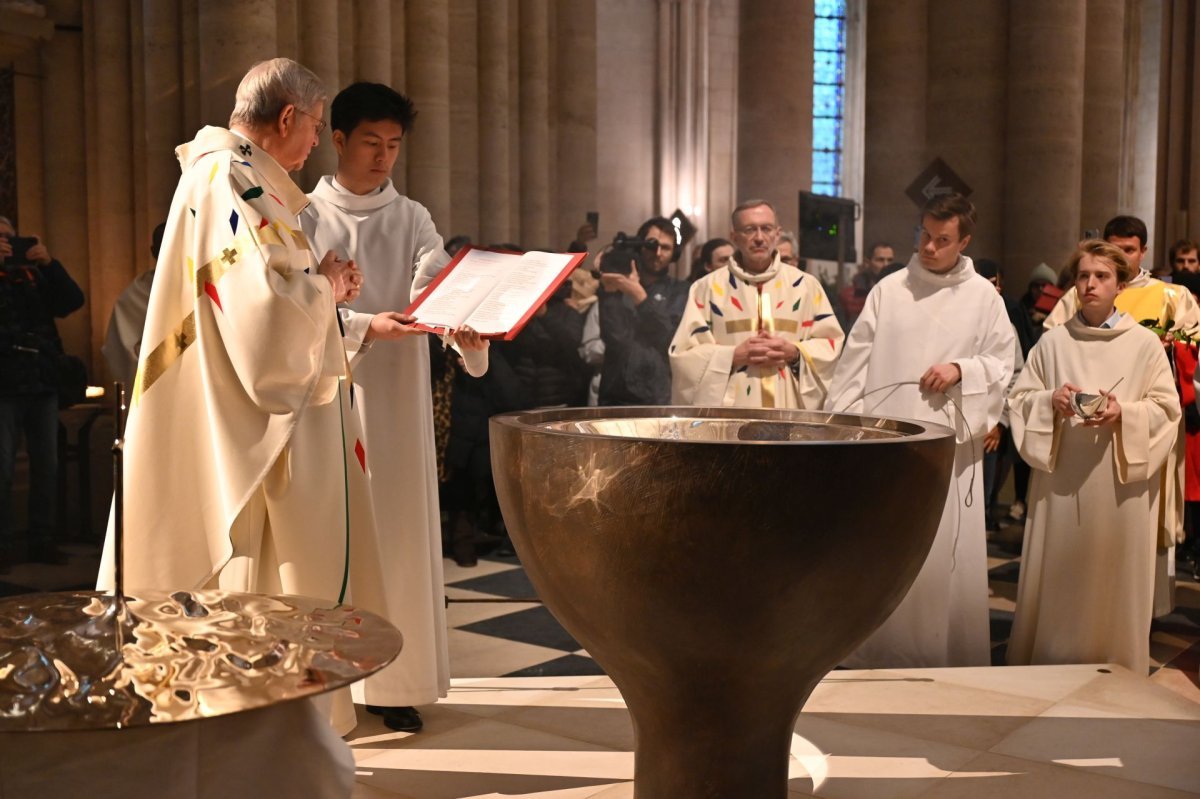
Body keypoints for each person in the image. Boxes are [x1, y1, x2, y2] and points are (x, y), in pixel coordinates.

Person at [97, 59, 387, 739]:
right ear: (288, 118)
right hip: (246, 422)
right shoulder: (228, 179)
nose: (317, 142)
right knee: (249, 571)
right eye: (315, 126)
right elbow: (264, 325)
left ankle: (278, 726)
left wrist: (317, 284)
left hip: (254, 416)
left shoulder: (248, 180)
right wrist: (330, 288)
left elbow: (267, 297)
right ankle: (253, 730)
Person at [300, 82, 488, 733]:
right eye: (372, 143)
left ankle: (394, 682)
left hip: (400, 400)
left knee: (400, 537)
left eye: (395, 145)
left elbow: (431, 278)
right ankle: (331, 682)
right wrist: (358, 327)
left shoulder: (412, 215)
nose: (384, 157)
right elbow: (291, 307)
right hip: (332, 391)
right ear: (340, 138)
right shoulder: (303, 214)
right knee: (337, 534)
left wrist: (457, 318)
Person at [824, 193, 1014, 667]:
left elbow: (1002, 362)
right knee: (886, 546)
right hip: (889, 449)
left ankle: (941, 649)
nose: (929, 247)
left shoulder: (983, 299)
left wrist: (961, 368)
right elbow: (853, 366)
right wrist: (845, 432)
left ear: (964, 241)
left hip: (948, 450)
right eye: (925, 235)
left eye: (942, 240)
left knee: (940, 550)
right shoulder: (890, 291)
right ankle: (877, 649)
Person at [1007, 240, 1179, 674]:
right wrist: (1051, 400)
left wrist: (1125, 412)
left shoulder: (1143, 345)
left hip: (1118, 483)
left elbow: (1166, 409)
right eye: (1083, 276)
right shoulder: (1053, 342)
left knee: (1111, 574)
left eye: (1101, 276)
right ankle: (1051, 658)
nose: (1090, 284)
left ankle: (1114, 661)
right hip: (1063, 480)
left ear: (1120, 284)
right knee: (1061, 572)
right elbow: (1019, 398)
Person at [1045, 215, 1200, 616]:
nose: (1118, 258)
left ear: (1142, 252)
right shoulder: (1077, 295)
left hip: (1139, 425)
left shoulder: (1172, 296)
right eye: (1112, 248)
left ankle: (1142, 607)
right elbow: (1051, 348)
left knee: (1139, 517)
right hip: (1079, 432)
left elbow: (1192, 352)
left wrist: (1165, 349)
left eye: (1127, 251)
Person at [669, 199, 843, 408]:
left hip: (789, 411)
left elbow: (831, 345)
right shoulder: (706, 289)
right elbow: (683, 356)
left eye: (766, 228)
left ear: (777, 234)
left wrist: (795, 353)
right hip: (730, 413)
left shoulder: (806, 286)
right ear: (734, 237)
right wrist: (731, 356)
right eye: (749, 229)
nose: (759, 238)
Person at [0, 217, 83, 571]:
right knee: (1, 467)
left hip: (42, 382)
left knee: (46, 465)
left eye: (10, 236)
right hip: (3, 384)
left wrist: (51, 265)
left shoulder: (35, 274)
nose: (7, 242)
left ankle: (42, 539)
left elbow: (72, 301)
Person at [597, 217, 689, 405]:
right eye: (651, 245)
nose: (657, 253)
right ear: (639, 246)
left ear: (675, 253)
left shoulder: (681, 290)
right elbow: (614, 337)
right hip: (614, 396)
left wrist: (638, 296)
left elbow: (671, 338)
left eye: (665, 248)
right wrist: (610, 293)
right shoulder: (617, 289)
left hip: (657, 397)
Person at [102, 222, 166, 390]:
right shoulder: (137, 294)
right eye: (165, 245)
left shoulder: (207, 286)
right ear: (153, 251)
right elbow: (119, 351)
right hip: (157, 384)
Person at [838, 241, 894, 328]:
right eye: (880, 260)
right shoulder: (848, 295)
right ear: (868, 262)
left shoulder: (899, 293)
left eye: (890, 260)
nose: (886, 265)